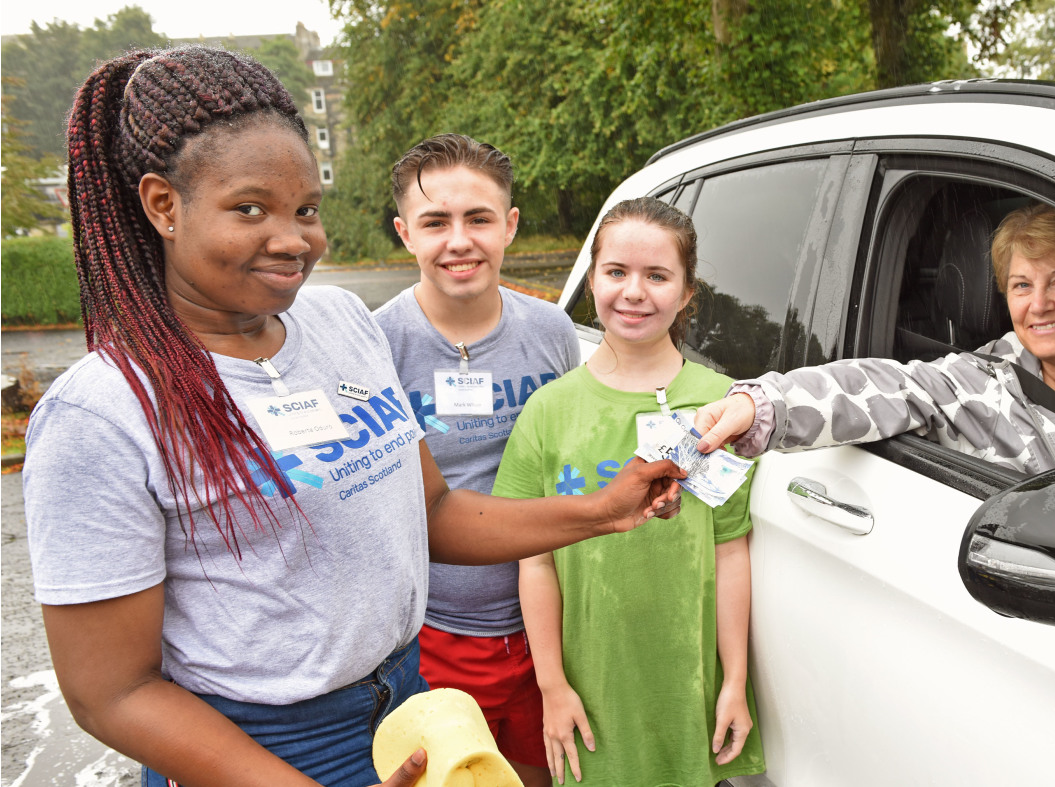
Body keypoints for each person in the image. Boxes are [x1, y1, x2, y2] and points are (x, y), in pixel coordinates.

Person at [23, 47, 681, 787]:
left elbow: (432, 509)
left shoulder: (340, 322)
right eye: (250, 209)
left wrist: (602, 509)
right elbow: (112, 692)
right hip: (261, 751)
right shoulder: (102, 414)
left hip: (410, 704)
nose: (294, 239)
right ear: (163, 205)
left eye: (306, 209)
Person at [493, 197, 766, 786]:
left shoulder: (723, 406)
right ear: (592, 280)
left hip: (685, 690)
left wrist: (735, 682)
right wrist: (552, 686)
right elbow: (534, 559)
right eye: (616, 272)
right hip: (589, 695)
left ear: (688, 292)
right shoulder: (549, 410)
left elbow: (730, 552)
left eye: (658, 276)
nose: (634, 292)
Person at [694, 203, 1055, 473]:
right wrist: (761, 403)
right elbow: (885, 387)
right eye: (1021, 285)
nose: (1039, 304)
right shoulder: (986, 386)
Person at [374, 133, 575, 787]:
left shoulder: (551, 332)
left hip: (554, 627)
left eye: (479, 218)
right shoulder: (377, 345)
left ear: (509, 226)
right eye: (436, 222)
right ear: (406, 233)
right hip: (435, 637)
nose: (459, 240)